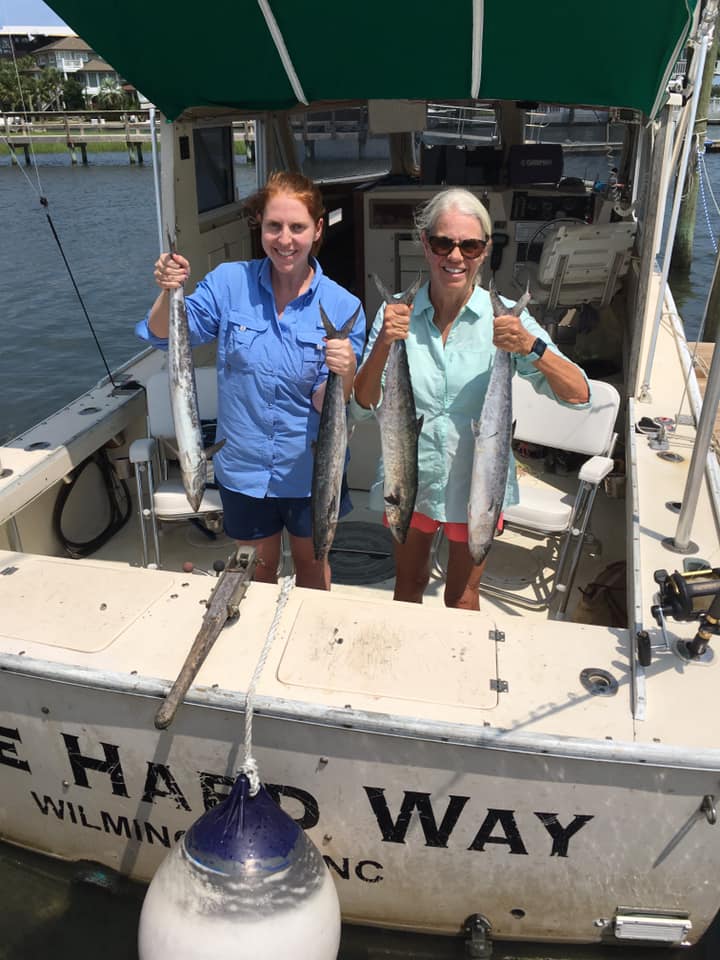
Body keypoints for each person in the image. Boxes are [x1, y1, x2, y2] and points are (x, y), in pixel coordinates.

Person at [353, 187, 589, 611]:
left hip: (477, 485)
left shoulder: (508, 321)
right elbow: (362, 404)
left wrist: (531, 346)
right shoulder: (395, 318)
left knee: (463, 597)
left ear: (485, 251)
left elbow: (579, 395)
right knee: (408, 585)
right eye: (444, 242)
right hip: (411, 479)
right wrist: (384, 344)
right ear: (426, 245)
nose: (455, 256)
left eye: (470, 245)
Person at [136, 171, 366, 589]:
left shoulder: (343, 305)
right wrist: (168, 289)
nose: (285, 240)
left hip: (312, 470)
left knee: (313, 570)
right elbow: (162, 335)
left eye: (297, 227)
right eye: (274, 226)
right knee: (256, 574)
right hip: (243, 469)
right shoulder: (229, 283)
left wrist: (345, 373)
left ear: (317, 230)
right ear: (259, 225)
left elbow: (323, 403)